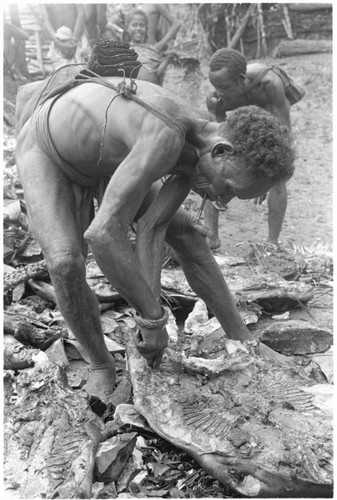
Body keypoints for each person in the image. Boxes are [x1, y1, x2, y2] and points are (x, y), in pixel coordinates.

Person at [15, 71, 295, 403]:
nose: (222, 200)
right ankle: (101, 365)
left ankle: (242, 339)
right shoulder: (167, 135)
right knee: (64, 262)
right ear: (221, 152)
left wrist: (149, 321)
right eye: (228, 189)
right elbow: (104, 235)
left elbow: (152, 228)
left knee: (188, 234)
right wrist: (152, 317)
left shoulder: (199, 150)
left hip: (106, 161)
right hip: (48, 150)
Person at [205, 47, 296, 250]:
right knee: (213, 172)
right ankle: (210, 236)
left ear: (241, 78)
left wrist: (267, 171)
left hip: (271, 126)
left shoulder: (270, 84)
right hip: (241, 126)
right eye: (214, 85)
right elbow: (219, 137)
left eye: (225, 86)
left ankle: (272, 243)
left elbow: (283, 135)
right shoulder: (215, 98)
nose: (218, 92)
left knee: (279, 181)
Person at [126, 8, 180, 86]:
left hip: (151, 89)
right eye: (134, 25)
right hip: (129, 88)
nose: (138, 28)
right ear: (127, 27)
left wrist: (168, 59)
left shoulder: (152, 50)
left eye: (142, 25)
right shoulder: (123, 49)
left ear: (146, 28)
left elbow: (157, 73)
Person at [40, 4, 85, 70]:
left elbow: (81, 13)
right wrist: (58, 42)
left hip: (75, 39)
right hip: (57, 40)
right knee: (60, 72)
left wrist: (74, 39)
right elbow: (45, 19)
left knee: (78, 70)